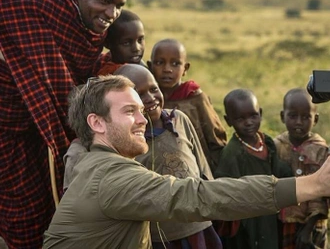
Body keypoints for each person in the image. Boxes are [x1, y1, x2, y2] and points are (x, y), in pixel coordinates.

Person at [43, 74, 330, 249]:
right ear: (97, 123)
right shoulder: (112, 177)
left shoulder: (96, 163)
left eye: (143, 110)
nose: (144, 120)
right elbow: (196, 195)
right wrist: (312, 185)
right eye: (130, 111)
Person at [0, 0, 128, 249]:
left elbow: (78, 74)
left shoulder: (96, 27)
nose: (111, 13)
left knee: (51, 207)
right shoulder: (38, 1)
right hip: (9, 122)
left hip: (43, 125)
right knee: (23, 213)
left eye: (118, 5)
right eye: (105, 1)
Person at [114, 64, 221, 248]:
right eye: (139, 95)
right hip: (160, 235)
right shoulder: (127, 141)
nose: (150, 98)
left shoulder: (179, 119)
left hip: (198, 224)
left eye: (154, 89)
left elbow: (202, 167)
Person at [214, 88, 292, 249]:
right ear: (228, 120)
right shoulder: (232, 154)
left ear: (260, 113)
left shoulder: (267, 142)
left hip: (269, 212)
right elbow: (225, 190)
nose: (249, 122)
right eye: (240, 118)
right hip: (247, 220)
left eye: (253, 115)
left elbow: (280, 170)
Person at [148, 38, 227, 173]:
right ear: (150, 66)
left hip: (196, 169)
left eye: (175, 64)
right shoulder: (148, 100)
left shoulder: (196, 99)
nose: (167, 69)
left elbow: (216, 139)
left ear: (185, 68)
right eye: (160, 63)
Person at [274, 88, 329, 249]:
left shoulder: (320, 150)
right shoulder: (276, 146)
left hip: (312, 225)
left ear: (316, 119)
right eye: (293, 116)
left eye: (306, 117)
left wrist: (308, 229)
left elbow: (321, 192)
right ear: (282, 116)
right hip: (283, 221)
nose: (299, 122)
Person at [98, 9, 147, 75]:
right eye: (126, 43)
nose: (136, 48)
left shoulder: (107, 59)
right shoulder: (116, 73)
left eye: (140, 40)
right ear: (107, 44)